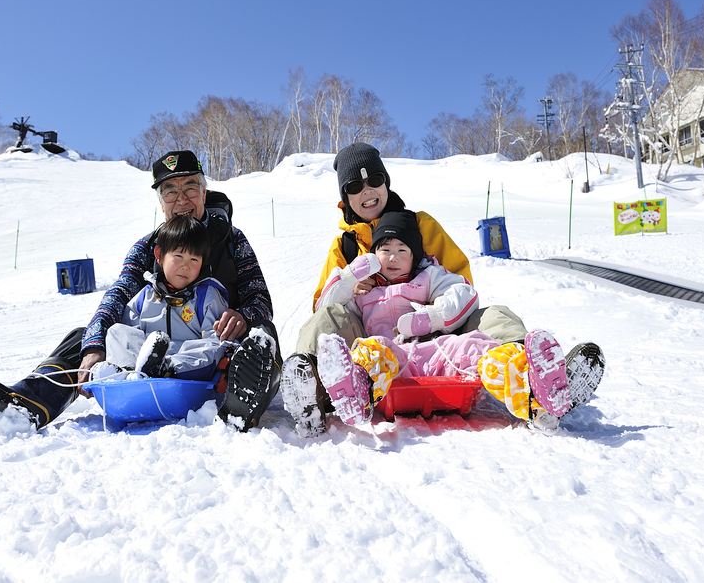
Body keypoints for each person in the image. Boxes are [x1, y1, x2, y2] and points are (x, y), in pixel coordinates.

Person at [0, 150, 280, 433]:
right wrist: (93, 347)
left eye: (190, 187)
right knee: (84, 336)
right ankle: (24, 407)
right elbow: (116, 297)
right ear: (160, 202)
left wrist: (244, 316)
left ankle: (241, 403)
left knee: (263, 335)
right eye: (170, 191)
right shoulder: (150, 247)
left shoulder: (232, 240)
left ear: (204, 192)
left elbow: (260, 299)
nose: (182, 199)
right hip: (152, 348)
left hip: (217, 347)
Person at [280, 142, 602, 436]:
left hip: (436, 331)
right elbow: (322, 308)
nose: (367, 191)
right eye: (355, 186)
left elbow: (461, 284)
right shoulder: (345, 246)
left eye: (374, 180)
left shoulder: (420, 226)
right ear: (345, 196)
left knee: (494, 314)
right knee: (330, 317)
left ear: (386, 182)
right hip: (372, 339)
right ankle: (312, 390)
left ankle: (532, 379)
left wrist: (430, 309)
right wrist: (350, 285)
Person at [312, 210, 588, 432]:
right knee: (371, 351)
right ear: (373, 256)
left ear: (415, 256)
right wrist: (348, 279)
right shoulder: (365, 290)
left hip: (436, 353)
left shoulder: (428, 276)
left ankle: (534, 395)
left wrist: (430, 317)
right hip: (391, 360)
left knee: (477, 347)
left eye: (402, 250)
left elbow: (464, 294)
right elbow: (327, 309)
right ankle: (357, 395)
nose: (393, 257)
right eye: (385, 250)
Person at [89, 213, 235, 384]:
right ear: (159, 255)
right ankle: (126, 373)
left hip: (184, 365)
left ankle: (163, 371)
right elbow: (129, 334)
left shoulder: (207, 295)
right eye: (178, 256)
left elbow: (215, 340)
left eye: (194, 259)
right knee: (116, 332)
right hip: (145, 361)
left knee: (213, 347)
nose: (185, 266)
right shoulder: (146, 296)